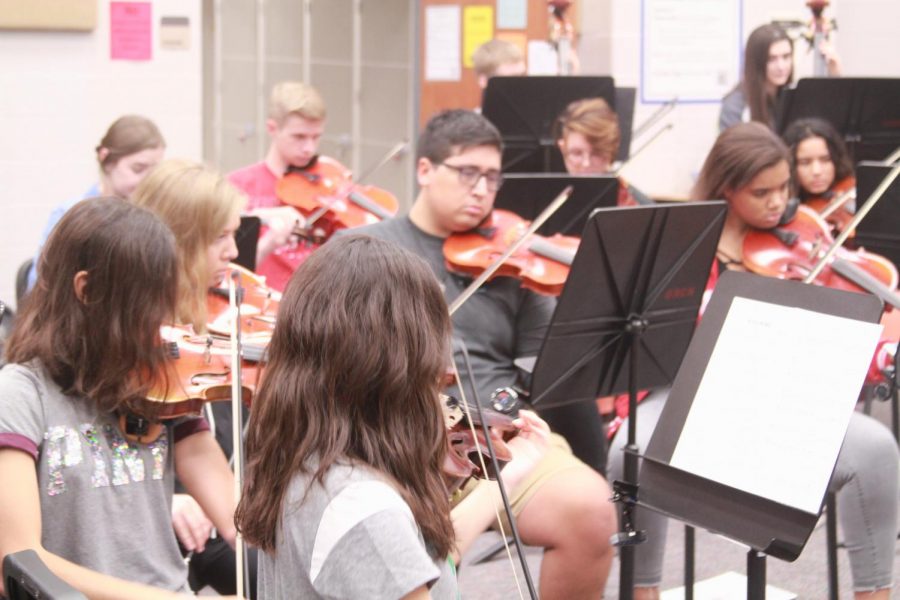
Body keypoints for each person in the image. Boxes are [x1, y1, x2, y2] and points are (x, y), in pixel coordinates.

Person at [609, 122, 898, 600]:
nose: (778, 201)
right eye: (761, 192)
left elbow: (848, 327)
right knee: (628, 450)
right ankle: (643, 591)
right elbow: (650, 339)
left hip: (784, 396)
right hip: (692, 396)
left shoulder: (800, 236)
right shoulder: (684, 245)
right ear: (725, 187)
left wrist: (884, 352)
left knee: (876, 448)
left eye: (784, 187)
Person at [341, 109, 617, 599]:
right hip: (396, 435)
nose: (482, 189)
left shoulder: (512, 256)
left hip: (496, 434)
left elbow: (546, 366)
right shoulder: (364, 249)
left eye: (492, 177)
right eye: (467, 172)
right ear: (425, 170)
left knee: (591, 507)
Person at [235, 234, 554, 598]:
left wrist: (508, 478)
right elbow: (385, 548)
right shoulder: (364, 508)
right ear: (398, 366)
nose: (444, 371)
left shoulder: (308, 458)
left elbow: (413, 564)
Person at [0, 197, 237, 598]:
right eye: (148, 303)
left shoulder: (161, 381)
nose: (165, 320)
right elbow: (17, 559)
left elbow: (235, 514)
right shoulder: (22, 394)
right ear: (87, 290)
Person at [132, 159, 259, 597]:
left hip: (202, 510)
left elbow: (192, 440)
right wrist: (161, 499)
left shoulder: (193, 321)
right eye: (220, 237)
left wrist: (253, 535)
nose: (235, 252)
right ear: (176, 242)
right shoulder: (125, 338)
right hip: (150, 525)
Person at [27, 115, 166, 290]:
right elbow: (39, 286)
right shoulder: (69, 213)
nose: (147, 180)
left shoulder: (153, 218)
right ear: (105, 158)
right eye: (138, 169)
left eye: (154, 171)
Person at [228, 81, 329, 290]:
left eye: (316, 137)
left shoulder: (327, 184)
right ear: (272, 128)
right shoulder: (237, 187)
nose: (309, 148)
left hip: (314, 301)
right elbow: (230, 272)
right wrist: (269, 242)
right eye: (299, 137)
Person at [555, 96, 653, 206]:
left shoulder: (635, 205)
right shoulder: (547, 200)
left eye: (596, 153)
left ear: (611, 150)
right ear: (562, 148)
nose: (586, 163)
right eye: (577, 153)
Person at [719, 24, 795, 132]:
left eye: (786, 57)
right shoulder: (735, 106)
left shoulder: (791, 97)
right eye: (771, 59)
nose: (781, 67)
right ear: (756, 62)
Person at [782, 117, 855, 202]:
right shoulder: (784, 204)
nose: (816, 171)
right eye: (805, 163)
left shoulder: (851, 190)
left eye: (825, 160)